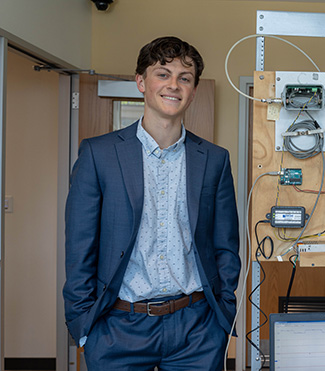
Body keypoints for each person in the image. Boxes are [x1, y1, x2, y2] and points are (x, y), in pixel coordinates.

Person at [63, 36, 240, 370]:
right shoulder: (99, 154)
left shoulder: (214, 160)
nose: (174, 85)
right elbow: (79, 248)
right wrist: (83, 327)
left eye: (184, 78)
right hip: (118, 326)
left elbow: (226, 246)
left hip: (197, 329)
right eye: (163, 74)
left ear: (194, 90)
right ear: (141, 82)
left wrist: (223, 315)